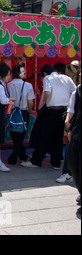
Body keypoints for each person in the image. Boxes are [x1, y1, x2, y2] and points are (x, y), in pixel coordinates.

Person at [23, 64, 76, 169]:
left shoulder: (48, 78)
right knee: (58, 137)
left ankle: (36, 161)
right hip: (63, 111)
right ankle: (56, 162)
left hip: (51, 110)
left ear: (44, 73)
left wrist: (44, 103)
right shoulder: (67, 78)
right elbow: (74, 92)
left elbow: (47, 93)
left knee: (44, 136)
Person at [7, 63, 35, 165]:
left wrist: (8, 112)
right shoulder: (27, 85)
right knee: (21, 135)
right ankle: (14, 156)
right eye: (23, 71)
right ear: (18, 73)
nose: (25, 73)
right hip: (23, 112)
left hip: (12, 112)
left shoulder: (8, 85)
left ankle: (21, 155)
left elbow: (8, 101)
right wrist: (30, 111)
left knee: (15, 135)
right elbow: (30, 101)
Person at [0, 63, 15, 172]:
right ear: (2, 75)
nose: (9, 77)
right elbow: (3, 100)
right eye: (8, 75)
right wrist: (11, 100)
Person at [65, 80, 81, 218]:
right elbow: (72, 109)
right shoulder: (78, 91)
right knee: (73, 165)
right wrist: (68, 124)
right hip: (78, 132)